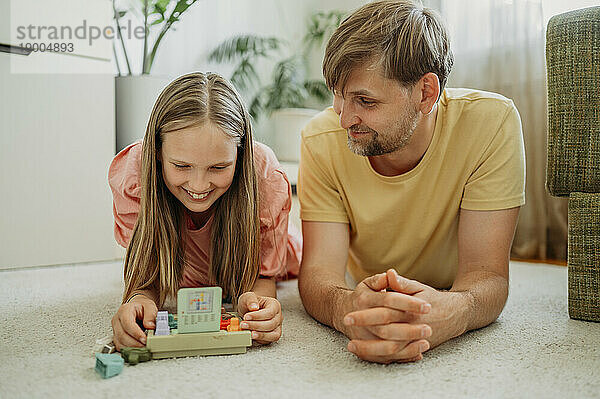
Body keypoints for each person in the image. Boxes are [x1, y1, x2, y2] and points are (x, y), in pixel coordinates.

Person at [297, 0, 525, 364]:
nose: (344, 119)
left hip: (451, 285)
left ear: (425, 93)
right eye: (338, 95)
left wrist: (455, 310)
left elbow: (487, 276)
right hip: (368, 286)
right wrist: (347, 307)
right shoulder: (319, 138)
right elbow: (319, 274)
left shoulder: (491, 124)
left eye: (365, 101)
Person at [108, 72, 301, 351]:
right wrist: (138, 300)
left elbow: (262, 277)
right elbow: (146, 275)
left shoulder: (264, 178)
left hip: (261, 254)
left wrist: (259, 304)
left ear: (241, 154)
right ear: (158, 152)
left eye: (218, 167)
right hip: (185, 266)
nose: (198, 186)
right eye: (182, 166)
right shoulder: (133, 177)